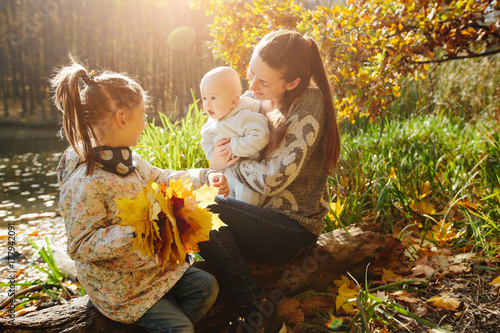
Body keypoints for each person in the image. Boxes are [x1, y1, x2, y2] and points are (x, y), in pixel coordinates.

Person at [51, 58, 228, 333]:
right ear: (121, 118)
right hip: (118, 287)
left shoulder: (127, 159)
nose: (145, 124)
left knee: (207, 287)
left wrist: (203, 176)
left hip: (151, 269)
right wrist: (136, 231)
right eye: (143, 115)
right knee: (181, 329)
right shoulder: (85, 181)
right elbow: (80, 245)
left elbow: (162, 178)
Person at [198, 30, 341, 333]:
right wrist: (218, 172)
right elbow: (218, 150)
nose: (251, 85)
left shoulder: (308, 104)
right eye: (250, 73)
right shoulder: (250, 99)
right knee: (191, 202)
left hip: (292, 228)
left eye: (263, 81)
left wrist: (232, 164)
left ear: (292, 83)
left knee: (202, 209)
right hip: (255, 215)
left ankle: (259, 311)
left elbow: (271, 180)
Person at [200, 66, 269, 206]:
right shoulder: (210, 124)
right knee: (219, 204)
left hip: (247, 176)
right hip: (226, 174)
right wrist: (216, 162)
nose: (207, 104)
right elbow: (206, 143)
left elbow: (261, 135)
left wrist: (233, 147)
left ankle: (246, 224)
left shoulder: (242, 115)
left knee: (245, 206)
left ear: (233, 101)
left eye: (213, 98)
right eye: (204, 98)